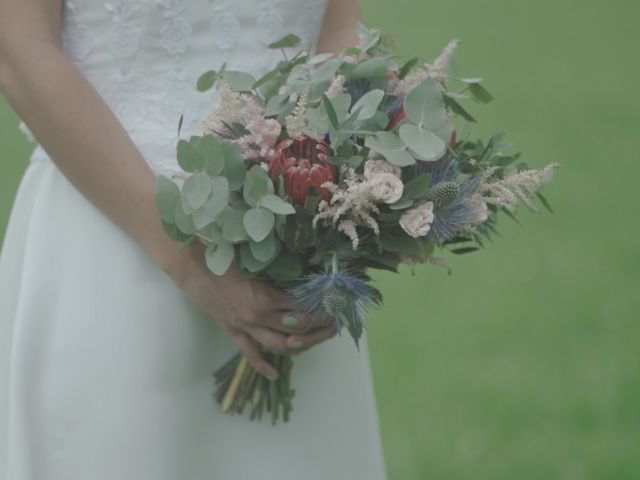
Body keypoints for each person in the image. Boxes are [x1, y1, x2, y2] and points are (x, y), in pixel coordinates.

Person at [0, 0, 388, 478]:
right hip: (111, 249)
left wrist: (343, 189)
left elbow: (341, 28)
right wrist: (185, 256)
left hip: (296, 263)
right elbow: (17, 48)